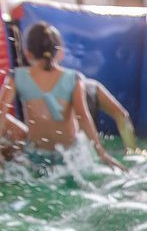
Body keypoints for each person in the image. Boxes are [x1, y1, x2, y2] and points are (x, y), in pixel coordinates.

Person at [0, 22, 126, 170]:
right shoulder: (74, 78)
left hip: (36, 156)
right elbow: (82, 116)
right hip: (70, 157)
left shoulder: (16, 77)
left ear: (27, 52)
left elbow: (1, 113)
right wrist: (101, 153)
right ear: (59, 52)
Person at [79, 74, 137, 153]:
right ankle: (132, 150)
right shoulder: (91, 87)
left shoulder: (89, 87)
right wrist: (131, 150)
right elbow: (122, 116)